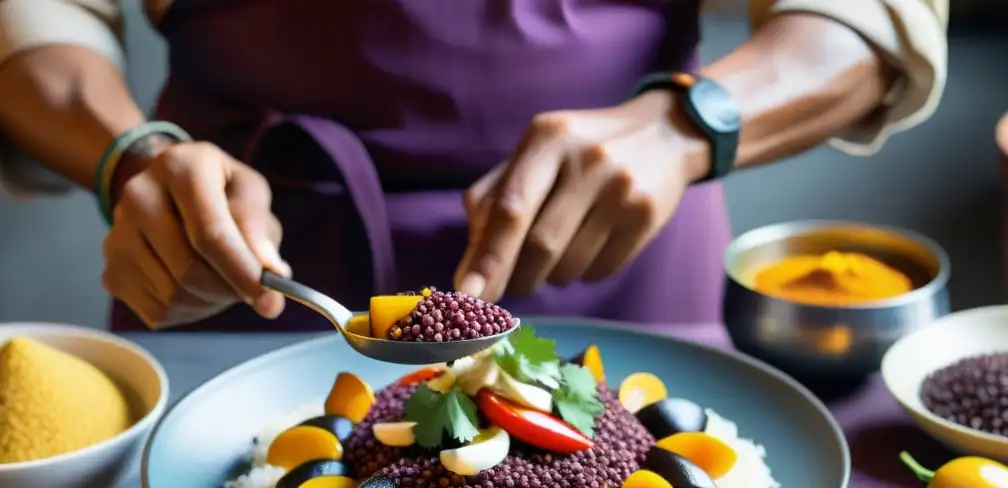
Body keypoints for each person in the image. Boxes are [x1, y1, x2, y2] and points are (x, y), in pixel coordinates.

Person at [0, 0, 947, 333]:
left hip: (625, 271)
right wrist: (130, 156)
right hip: (235, 272)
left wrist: (687, 125)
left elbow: (866, 14)